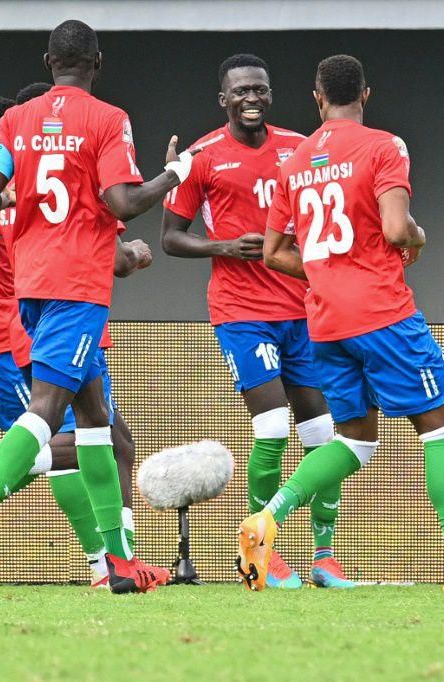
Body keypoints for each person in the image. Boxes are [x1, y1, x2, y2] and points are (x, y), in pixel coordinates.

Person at [0, 19, 196, 595]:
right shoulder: (108, 119)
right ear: (96, 62)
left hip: (30, 287)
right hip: (78, 284)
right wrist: (175, 173)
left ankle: (118, 564)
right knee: (50, 412)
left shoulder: (14, 121)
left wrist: (17, 192)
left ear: (47, 61)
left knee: (99, 426)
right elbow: (122, 199)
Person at [241, 55, 444, 592]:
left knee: (356, 440)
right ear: (365, 95)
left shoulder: (292, 163)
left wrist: (326, 272)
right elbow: (395, 228)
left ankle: (266, 518)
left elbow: (273, 253)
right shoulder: (385, 146)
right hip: (384, 314)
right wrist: (419, 238)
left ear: (318, 98)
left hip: (326, 322)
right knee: (442, 428)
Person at [162, 54, 354, 589]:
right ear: (223, 98)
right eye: (241, 91)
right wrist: (224, 245)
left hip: (302, 310)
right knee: (271, 426)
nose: (252, 98)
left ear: (270, 95)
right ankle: (259, 551)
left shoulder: (299, 147)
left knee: (322, 432)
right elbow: (170, 238)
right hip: (242, 312)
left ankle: (324, 554)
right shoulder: (202, 156)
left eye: (261, 90)